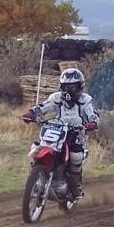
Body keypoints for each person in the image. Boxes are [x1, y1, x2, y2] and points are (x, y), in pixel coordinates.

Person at [22, 67, 99, 199]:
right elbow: (43, 106)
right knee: (38, 147)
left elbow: (93, 115)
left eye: (72, 87)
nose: (68, 90)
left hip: (77, 132)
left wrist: (92, 123)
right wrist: (32, 113)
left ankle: (75, 187)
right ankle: (38, 172)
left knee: (76, 156)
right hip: (56, 130)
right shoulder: (56, 98)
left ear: (79, 86)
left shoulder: (85, 100)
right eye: (65, 86)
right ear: (61, 86)